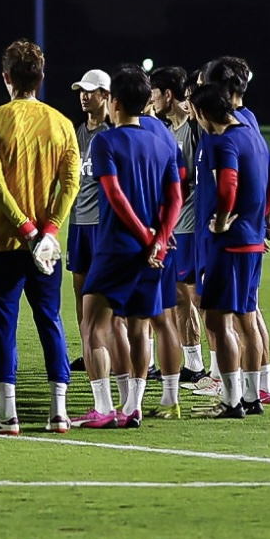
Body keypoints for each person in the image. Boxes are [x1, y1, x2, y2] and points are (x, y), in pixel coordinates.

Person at [0, 39, 80, 435]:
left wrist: (25, 228)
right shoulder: (62, 123)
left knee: (2, 321)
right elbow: (70, 183)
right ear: (40, 77)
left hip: (4, 239)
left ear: (5, 78)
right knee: (50, 319)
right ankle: (59, 412)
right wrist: (49, 230)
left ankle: (8, 414)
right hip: (46, 246)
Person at [74, 66, 182, 429]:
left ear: (114, 102)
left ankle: (104, 407)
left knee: (93, 326)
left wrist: (143, 236)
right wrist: (160, 240)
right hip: (154, 255)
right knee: (139, 328)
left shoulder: (105, 141)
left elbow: (115, 195)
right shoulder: (162, 140)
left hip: (117, 247)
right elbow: (175, 197)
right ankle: (132, 405)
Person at [189, 82, 270, 419]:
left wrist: (221, 218)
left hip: (229, 245)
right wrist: (258, 216)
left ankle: (231, 402)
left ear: (202, 113)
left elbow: (228, 182)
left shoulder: (224, 140)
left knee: (217, 322)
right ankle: (252, 395)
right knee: (246, 319)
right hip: (252, 243)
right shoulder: (253, 136)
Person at [149, 66, 208, 387]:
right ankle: (194, 364)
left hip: (191, 226)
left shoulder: (196, 129)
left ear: (167, 95)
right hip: (170, 227)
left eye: (155, 93)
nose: (151, 99)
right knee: (177, 297)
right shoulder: (161, 129)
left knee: (197, 297)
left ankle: (217, 369)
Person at [67, 69, 112, 376]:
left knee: (105, 296)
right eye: (81, 91)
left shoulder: (113, 133)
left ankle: (107, 350)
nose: (84, 96)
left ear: (106, 95)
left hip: (103, 224)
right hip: (78, 223)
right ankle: (88, 351)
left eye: (91, 91)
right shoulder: (76, 132)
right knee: (80, 293)